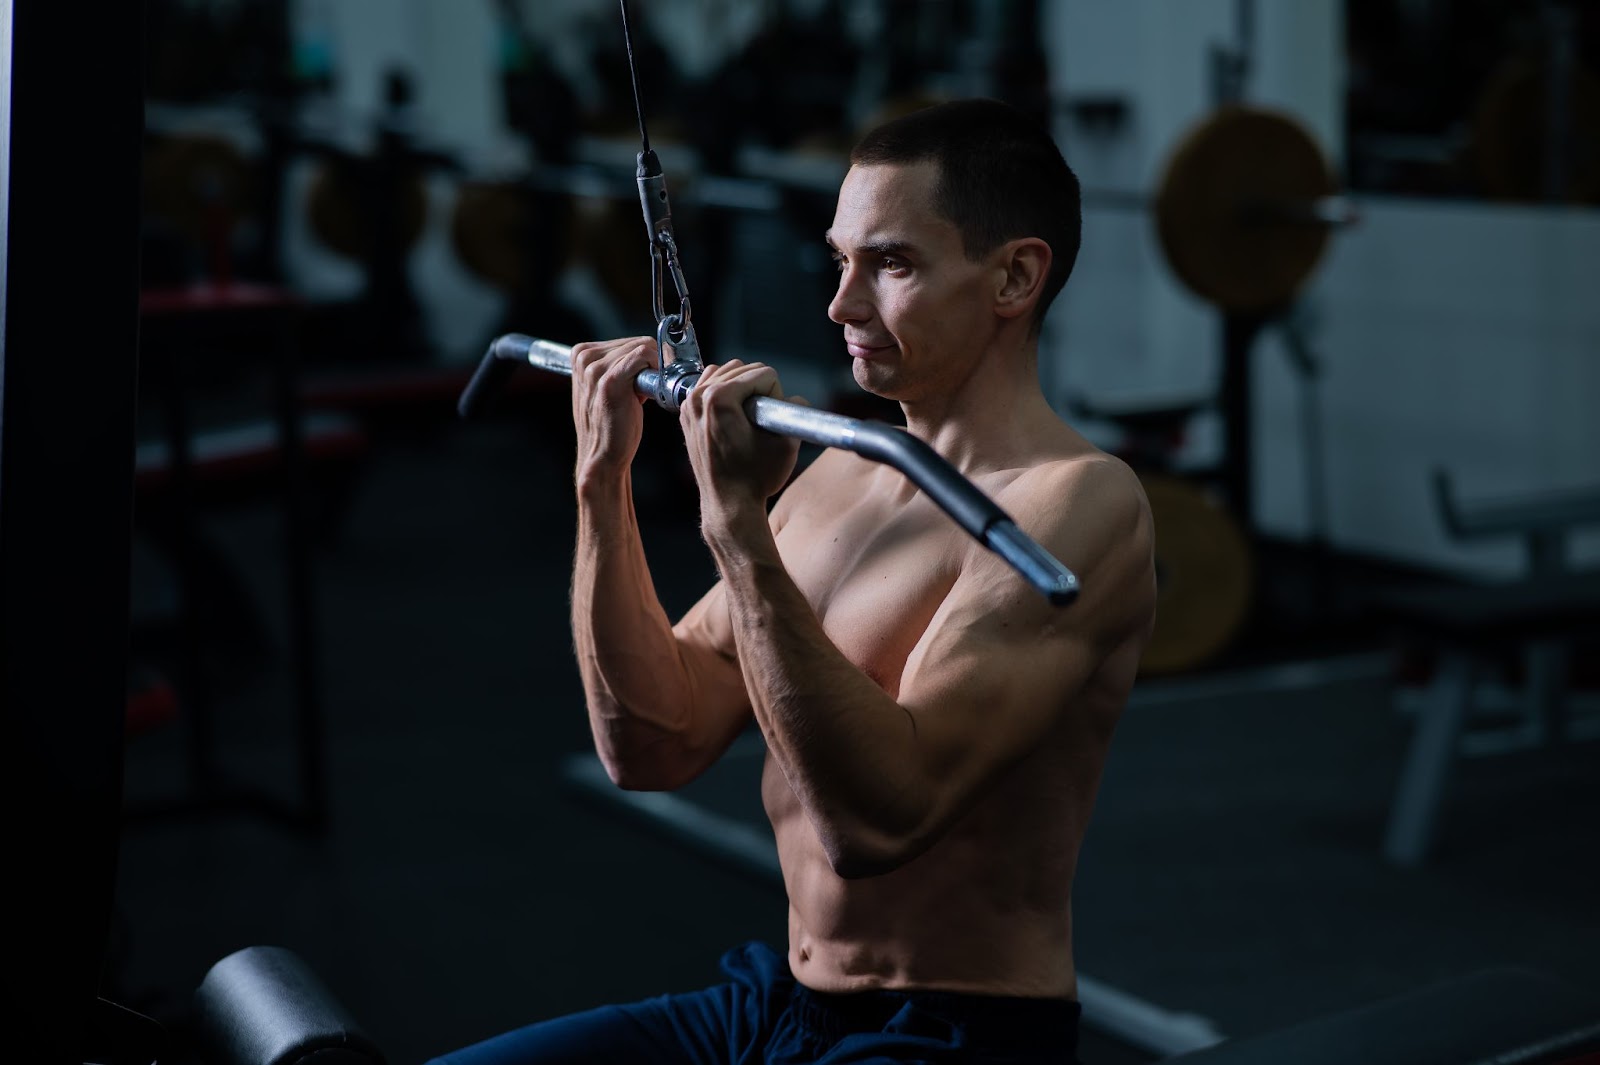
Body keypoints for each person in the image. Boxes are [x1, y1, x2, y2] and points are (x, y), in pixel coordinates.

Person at [431, 97, 1156, 1065]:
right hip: (774, 1005)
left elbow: (878, 819)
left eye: (891, 264)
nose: (841, 305)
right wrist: (600, 483)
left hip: (949, 1036)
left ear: (1015, 276)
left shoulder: (1079, 503)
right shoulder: (842, 475)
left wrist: (733, 525)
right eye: (840, 260)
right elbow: (652, 744)